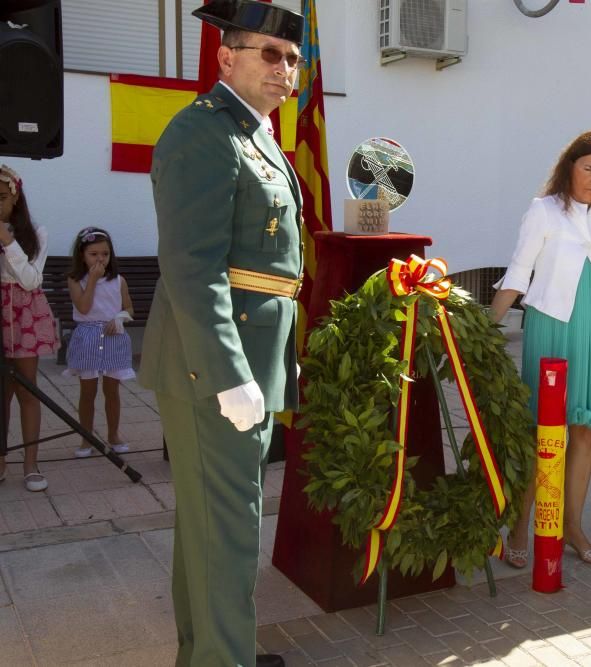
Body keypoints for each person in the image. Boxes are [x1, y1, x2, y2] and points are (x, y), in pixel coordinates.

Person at [137, 2, 304, 666]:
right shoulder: (203, 133)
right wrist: (231, 373)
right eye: (269, 52)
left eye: (292, 58)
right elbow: (191, 265)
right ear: (225, 56)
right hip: (217, 368)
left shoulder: (255, 133)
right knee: (228, 534)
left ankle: (207, 653)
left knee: (211, 531)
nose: (284, 68)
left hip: (249, 361)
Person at [490, 130, 591, 567]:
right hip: (552, 329)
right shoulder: (544, 211)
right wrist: (483, 329)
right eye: (588, 168)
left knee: (585, 432)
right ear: (570, 166)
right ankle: (520, 526)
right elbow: (517, 274)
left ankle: (572, 525)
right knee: (543, 433)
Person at [0, 164, 59, 492]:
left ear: (15, 196)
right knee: (1, 393)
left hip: (23, 314)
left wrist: (7, 240)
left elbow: (31, 280)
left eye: (2, 197)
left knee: (26, 389)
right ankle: (1, 460)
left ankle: (31, 463)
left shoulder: (37, 232)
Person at [65, 227, 135, 458]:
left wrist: (120, 317)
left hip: (114, 337)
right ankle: (86, 437)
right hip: (88, 338)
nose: (100, 259)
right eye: (93, 254)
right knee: (88, 391)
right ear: (82, 255)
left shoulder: (118, 281)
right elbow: (83, 307)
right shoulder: (76, 280)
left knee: (112, 390)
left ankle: (113, 434)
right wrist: (93, 280)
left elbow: (129, 308)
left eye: (104, 254)